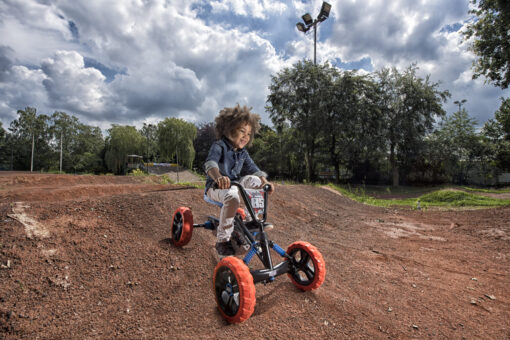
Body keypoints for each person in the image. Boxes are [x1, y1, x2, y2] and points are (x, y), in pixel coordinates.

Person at [204, 104, 275, 258]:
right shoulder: (219, 146)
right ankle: (223, 240)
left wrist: (264, 181)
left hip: (234, 185)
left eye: (249, 133)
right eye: (242, 131)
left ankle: (252, 220)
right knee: (233, 195)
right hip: (215, 187)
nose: (246, 136)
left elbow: (253, 168)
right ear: (228, 129)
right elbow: (210, 164)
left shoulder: (242, 152)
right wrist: (218, 177)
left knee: (254, 181)